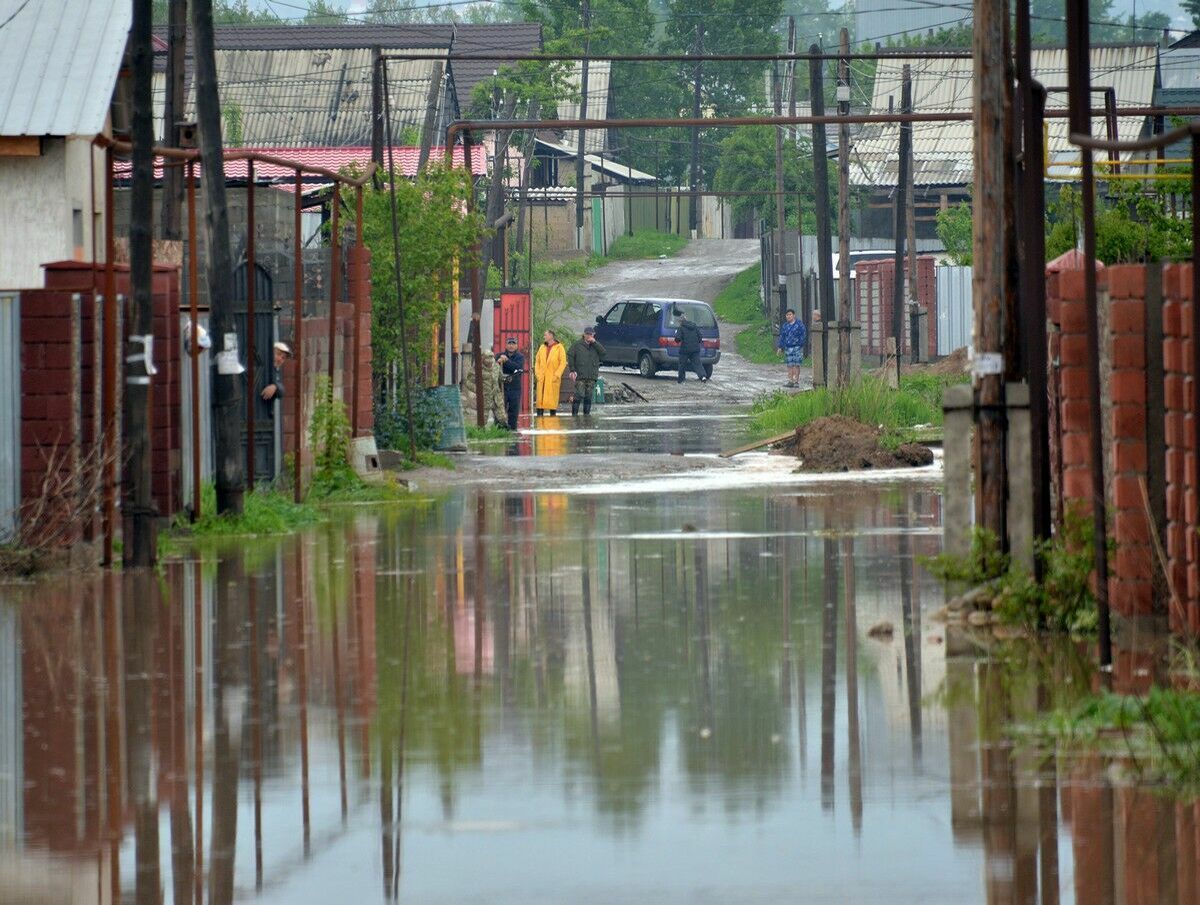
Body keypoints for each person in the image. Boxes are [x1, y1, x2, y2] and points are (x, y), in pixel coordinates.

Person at [567, 326, 606, 416]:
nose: (589, 336)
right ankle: (574, 415)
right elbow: (570, 356)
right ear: (584, 334)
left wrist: (595, 343)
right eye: (587, 334)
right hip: (580, 375)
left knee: (588, 397)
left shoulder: (596, 346)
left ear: (593, 335)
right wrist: (572, 370)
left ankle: (586, 416)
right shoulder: (577, 345)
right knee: (578, 395)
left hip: (591, 375)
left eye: (591, 334)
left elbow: (603, 353)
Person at [533, 329, 566, 416]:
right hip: (542, 378)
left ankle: (552, 423)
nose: (544, 336)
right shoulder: (542, 347)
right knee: (540, 401)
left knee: (552, 402)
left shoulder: (559, 348)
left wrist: (557, 375)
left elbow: (563, 363)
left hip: (553, 378)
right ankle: (540, 421)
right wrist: (538, 374)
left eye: (545, 335)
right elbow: (537, 362)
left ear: (551, 336)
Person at [496, 337, 526, 430]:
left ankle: (513, 430)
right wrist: (499, 361)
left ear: (516, 346)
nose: (511, 346)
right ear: (506, 345)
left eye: (513, 344)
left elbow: (517, 368)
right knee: (500, 410)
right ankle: (499, 430)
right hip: (502, 388)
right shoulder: (499, 355)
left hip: (515, 389)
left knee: (513, 412)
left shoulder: (520, 357)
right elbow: (493, 366)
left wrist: (507, 361)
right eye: (509, 343)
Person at [673, 308, 706, 383]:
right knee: (698, 364)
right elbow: (700, 337)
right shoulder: (694, 326)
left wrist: (676, 339)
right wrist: (695, 343)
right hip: (695, 349)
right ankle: (703, 376)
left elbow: (677, 339)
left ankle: (681, 380)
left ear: (681, 321)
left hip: (685, 350)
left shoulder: (681, 328)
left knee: (682, 365)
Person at [777, 308, 807, 388]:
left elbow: (803, 334)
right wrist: (780, 347)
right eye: (787, 315)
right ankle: (790, 381)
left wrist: (800, 344)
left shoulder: (799, 324)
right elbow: (782, 337)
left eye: (790, 314)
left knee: (796, 364)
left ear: (794, 315)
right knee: (789, 365)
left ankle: (796, 381)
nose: (788, 316)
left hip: (796, 347)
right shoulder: (785, 326)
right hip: (788, 347)